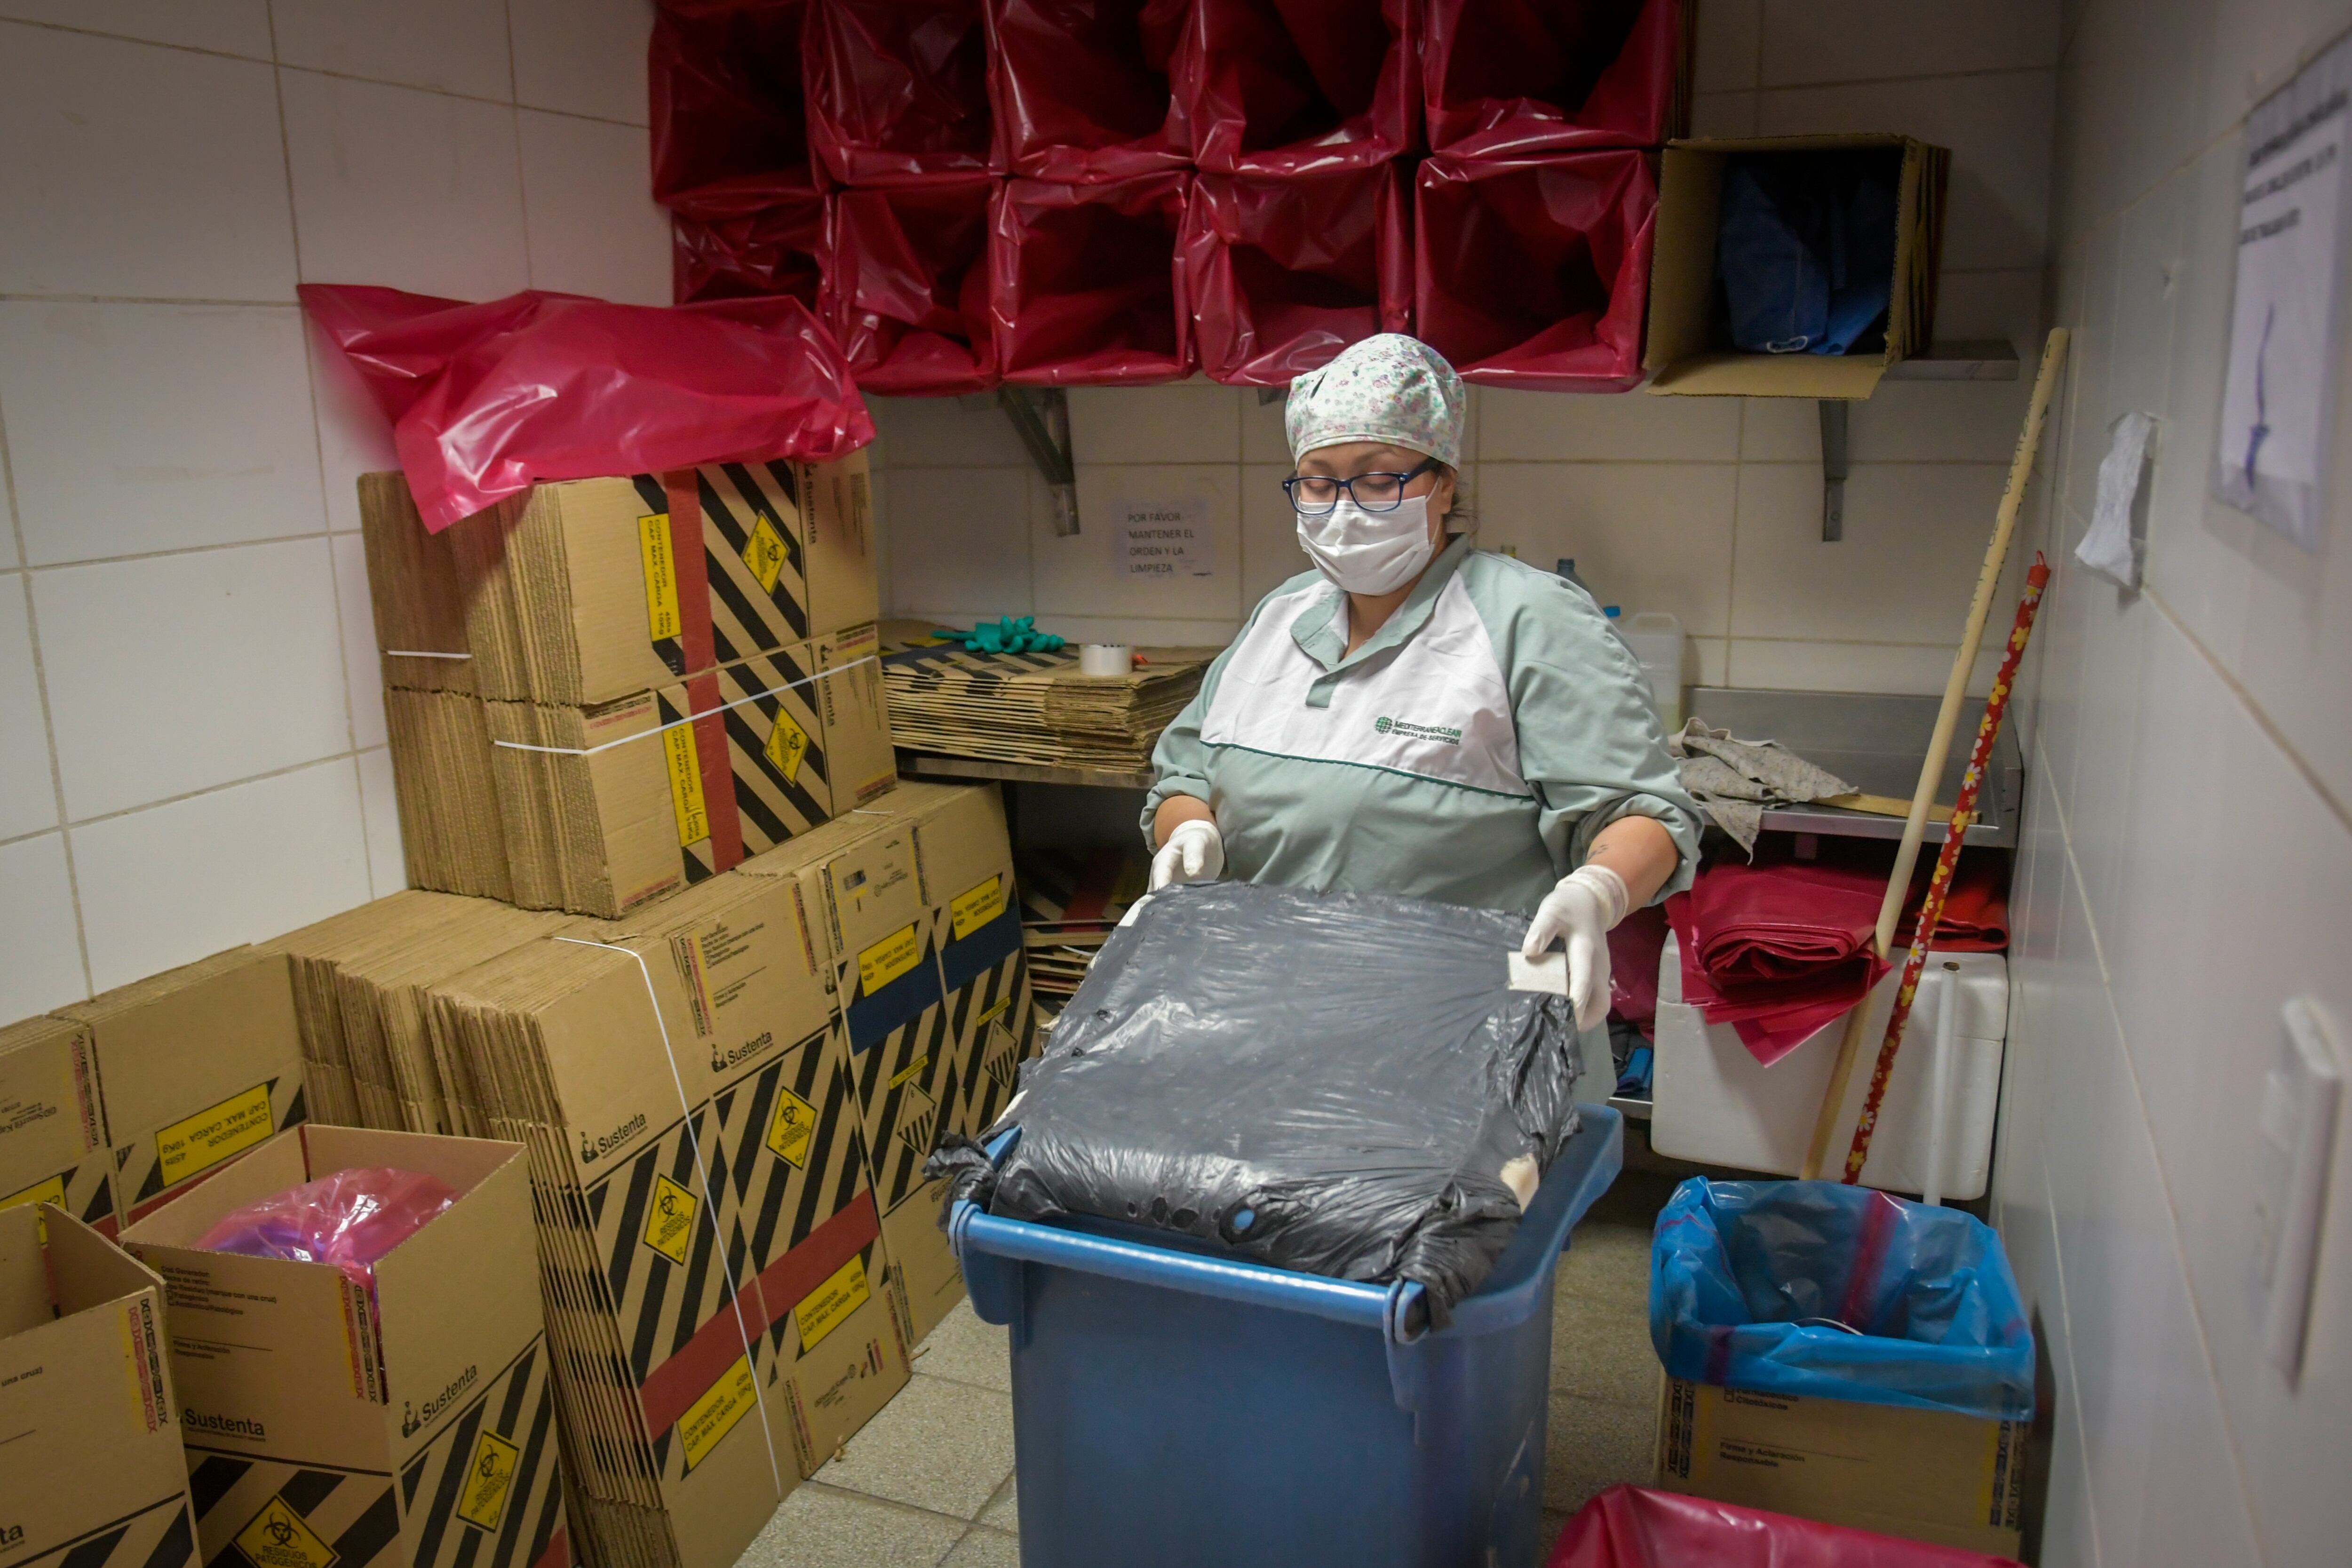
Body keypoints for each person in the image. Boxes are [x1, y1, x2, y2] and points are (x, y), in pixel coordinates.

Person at [1143, 334, 1701, 1030]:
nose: (1344, 509)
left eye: (1379, 479)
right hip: (1270, 1015)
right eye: (1319, 481)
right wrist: (1192, 833)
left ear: (1443, 483)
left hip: (1463, 1033)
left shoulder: (1528, 620)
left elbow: (1640, 812)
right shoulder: (1279, 617)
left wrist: (1600, 889)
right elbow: (1184, 775)